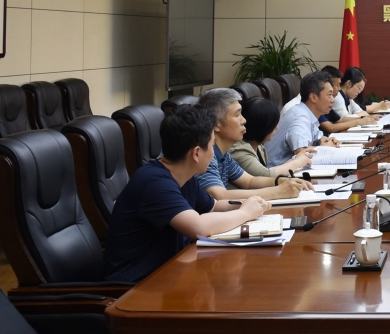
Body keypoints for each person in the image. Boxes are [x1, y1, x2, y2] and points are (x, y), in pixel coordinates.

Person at [103, 105, 271, 283]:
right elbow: (198, 227)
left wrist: (248, 203)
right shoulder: (154, 183)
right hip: (136, 287)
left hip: (171, 274)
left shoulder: (184, 176)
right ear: (196, 153)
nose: (213, 153)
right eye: (212, 146)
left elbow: (213, 206)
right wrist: (245, 213)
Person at [195, 88, 313, 202]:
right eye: (237, 115)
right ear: (216, 124)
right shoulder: (205, 155)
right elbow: (220, 195)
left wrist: (280, 181)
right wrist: (278, 191)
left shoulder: (224, 154)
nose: (244, 120)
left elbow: (249, 181)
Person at [266, 70, 342, 165]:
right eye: (329, 95)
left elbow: (317, 138)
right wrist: (326, 148)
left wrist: (327, 141)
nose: (333, 100)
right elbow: (302, 153)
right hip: (277, 171)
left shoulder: (308, 113)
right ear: (313, 97)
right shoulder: (300, 117)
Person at [230, 97, 315, 177]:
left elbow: (268, 171)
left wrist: (295, 159)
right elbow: (265, 175)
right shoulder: (239, 150)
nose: (277, 127)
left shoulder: (259, 146)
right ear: (262, 126)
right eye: (273, 124)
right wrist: (298, 162)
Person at [319, 65, 376, 134]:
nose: (339, 88)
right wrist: (359, 121)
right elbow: (331, 128)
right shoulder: (316, 107)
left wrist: (364, 119)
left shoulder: (345, 98)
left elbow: (341, 119)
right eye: (337, 85)